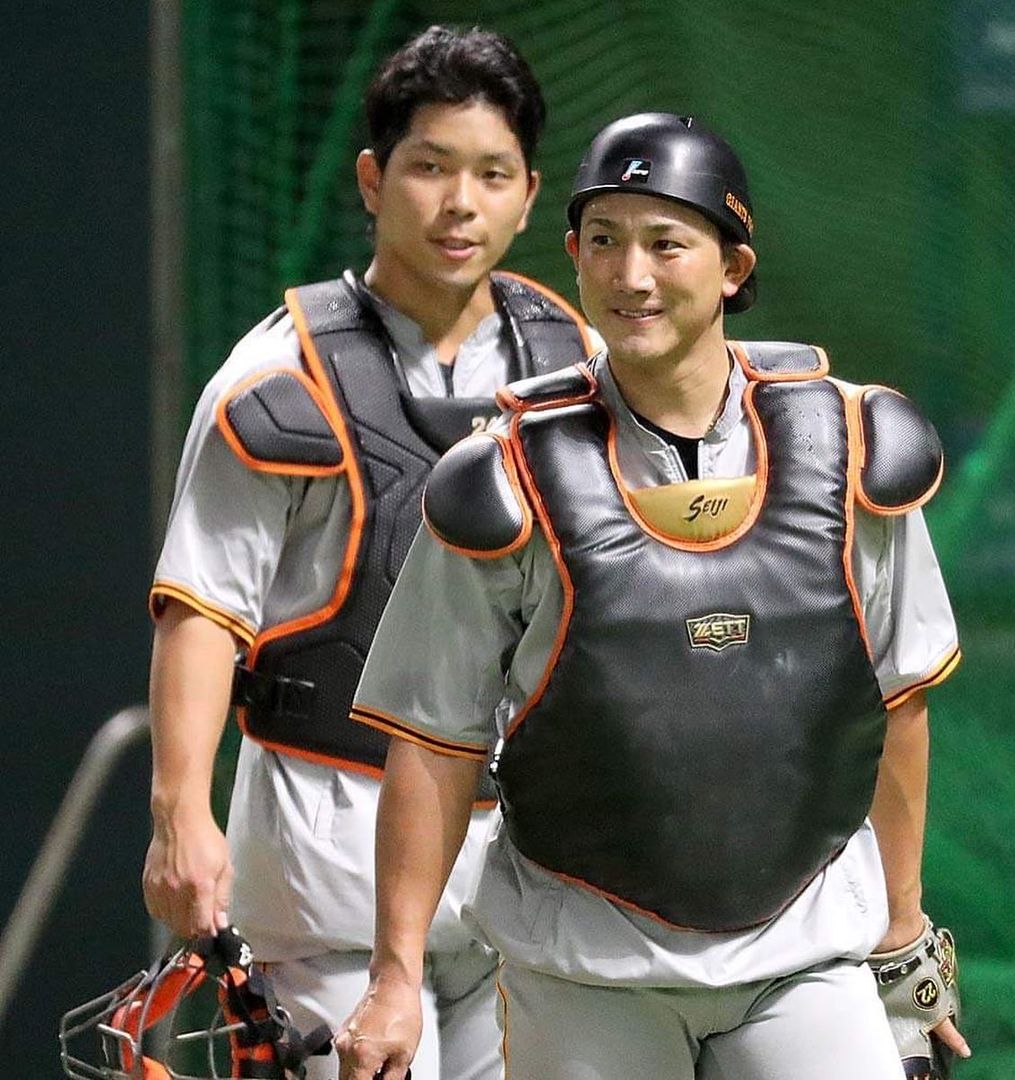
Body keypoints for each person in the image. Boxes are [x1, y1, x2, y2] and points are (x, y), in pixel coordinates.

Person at [337, 113, 972, 1080]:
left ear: (732, 267)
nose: (630, 275)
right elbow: (433, 740)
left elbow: (899, 700)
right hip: (584, 969)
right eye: (604, 240)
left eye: (666, 243)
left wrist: (902, 929)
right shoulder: (503, 480)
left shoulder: (853, 453)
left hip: (803, 954)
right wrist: (393, 977)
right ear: (573, 256)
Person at [141, 25, 594, 1080]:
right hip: (326, 862)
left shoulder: (577, 366)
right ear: (372, 179)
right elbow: (203, 606)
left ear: (530, 196)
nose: (460, 204)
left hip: (520, 866)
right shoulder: (277, 378)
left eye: (493, 175)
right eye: (430, 167)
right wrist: (179, 813)